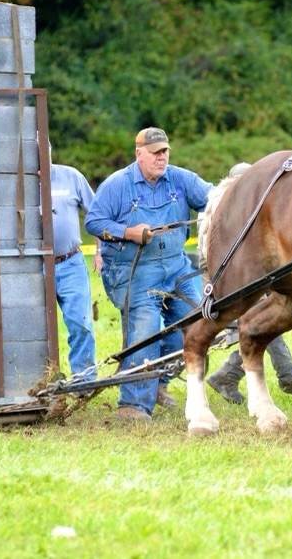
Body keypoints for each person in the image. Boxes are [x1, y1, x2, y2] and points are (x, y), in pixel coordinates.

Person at [85, 127, 211, 423]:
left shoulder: (180, 179)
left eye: (165, 151)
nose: (161, 157)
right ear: (139, 153)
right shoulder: (118, 185)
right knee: (146, 331)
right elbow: (93, 221)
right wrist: (127, 232)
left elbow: (213, 198)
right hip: (132, 271)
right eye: (155, 153)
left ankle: (158, 384)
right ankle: (133, 405)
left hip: (177, 266)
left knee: (197, 322)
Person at [196, 162, 292, 404]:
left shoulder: (246, 207)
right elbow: (213, 255)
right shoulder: (225, 207)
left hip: (250, 275)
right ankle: (286, 377)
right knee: (264, 322)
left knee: (268, 321)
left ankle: (231, 376)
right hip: (225, 278)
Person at [50, 153, 99, 380]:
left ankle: (84, 380)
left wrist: (100, 252)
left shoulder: (71, 176)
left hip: (71, 262)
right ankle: (46, 380)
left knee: (80, 323)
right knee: (38, 329)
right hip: (32, 268)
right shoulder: (18, 182)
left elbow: (97, 213)